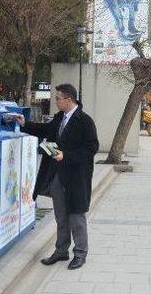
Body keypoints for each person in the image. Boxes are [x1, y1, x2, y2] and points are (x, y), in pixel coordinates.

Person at [13, 84, 99, 270]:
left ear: (69, 100)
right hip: (58, 176)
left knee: (76, 217)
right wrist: (25, 124)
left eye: (58, 98)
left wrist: (66, 156)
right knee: (61, 216)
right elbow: (46, 130)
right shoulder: (60, 117)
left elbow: (91, 149)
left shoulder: (84, 121)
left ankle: (80, 253)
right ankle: (61, 251)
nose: (56, 101)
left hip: (76, 178)